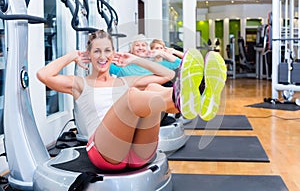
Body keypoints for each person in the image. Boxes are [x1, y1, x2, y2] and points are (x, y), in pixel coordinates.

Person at [37, 30, 226, 171]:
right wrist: (72, 56)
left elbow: (168, 74)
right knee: (132, 95)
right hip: (104, 153)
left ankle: (195, 97)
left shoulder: (124, 81)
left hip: (140, 153)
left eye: (107, 51)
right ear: (89, 55)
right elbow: (43, 75)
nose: (102, 57)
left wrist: (135, 59)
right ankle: (184, 98)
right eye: (96, 52)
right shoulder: (80, 84)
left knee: (151, 88)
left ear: (113, 54)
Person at [110, 35, 181, 77]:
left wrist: (160, 53)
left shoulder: (155, 65)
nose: (140, 48)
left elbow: (178, 63)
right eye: (137, 45)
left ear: (147, 49)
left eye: (143, 45)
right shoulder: (122, 66)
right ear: (131, 50)